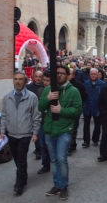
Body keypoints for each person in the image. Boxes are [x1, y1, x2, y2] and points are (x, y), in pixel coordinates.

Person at [38, 65, 82, 200]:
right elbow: (40, 107)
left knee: (61, 159)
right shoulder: (47, 89)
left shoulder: (73, 91)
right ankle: (57, 185)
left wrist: (61, 110)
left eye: (63, 73)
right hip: (50, 130)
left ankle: (63, 186)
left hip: (64, 130)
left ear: (68, 75)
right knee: (53, 160)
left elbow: (78, 110)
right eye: (57, 73)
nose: (59, 75)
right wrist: (48, 97)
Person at [0, 71, 41, 195]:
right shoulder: (7, 97)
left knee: (21, 158)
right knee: (17, 159)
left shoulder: (32, 97)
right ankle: (23, 176)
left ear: (25, 81)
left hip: (25, 133)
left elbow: (36, 116)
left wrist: (35, 132)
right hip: (11, 133)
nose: (17, 81)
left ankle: (19, 185)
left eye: (20, 79)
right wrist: (2, 131)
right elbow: (4, 115)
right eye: (15, 79)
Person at [82, 68, 106, 147]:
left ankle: (95, 139)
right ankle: (86, 141)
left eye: (95, 74)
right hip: (87, 106)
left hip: (97, 107)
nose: (93, 75)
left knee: (97, 125)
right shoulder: (86, 83)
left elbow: (103, 97)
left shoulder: (102, 84)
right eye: (91, 74)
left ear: (97, 75)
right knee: (86, 125)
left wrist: (101, 108)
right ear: (89, 75)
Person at [68, 68, 88, 154]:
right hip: (65, 110)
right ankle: (72, 144)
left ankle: (71, 146)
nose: (67, 76)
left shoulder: (79, 85)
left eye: (69, 74)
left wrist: (78, 105)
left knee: (73, 128)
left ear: (73, 75)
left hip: (75, 110)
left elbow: (84, 96)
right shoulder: (61, 84)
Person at [26, 70, 43, 159]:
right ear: (34, 77)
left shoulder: (45, 87)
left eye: (40, 77)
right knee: (35, 131)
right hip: (32, 113)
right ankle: (38, 150)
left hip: (42, 112)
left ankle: (41, 149)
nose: (38, 78)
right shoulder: (29, 87)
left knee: (41, 132)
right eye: (36, 76)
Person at [37, 70, 51, 174]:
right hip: (42, 121)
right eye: (44, 80)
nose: (45, 82)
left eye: (48, 81)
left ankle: (53, 162)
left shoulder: (55, 91)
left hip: (52, 122)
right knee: (43, 144)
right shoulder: (40, 90)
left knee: (51, 144)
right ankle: (45, 164)